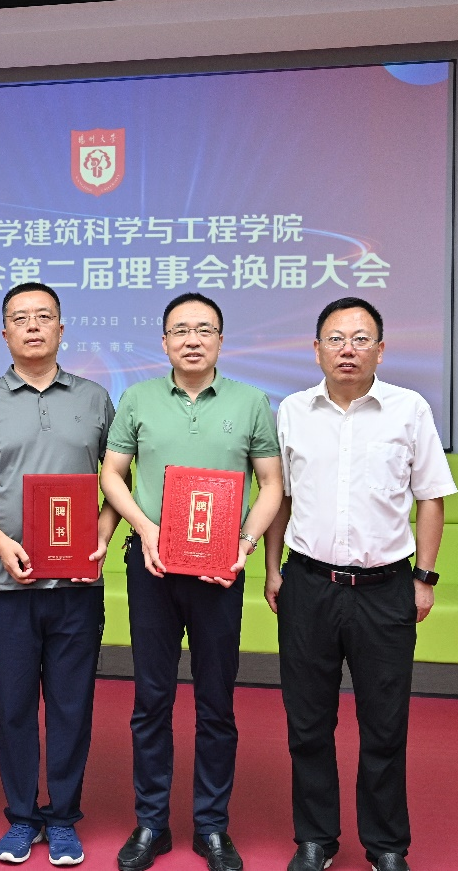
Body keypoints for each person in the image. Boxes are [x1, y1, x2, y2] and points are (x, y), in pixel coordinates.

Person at [263, 297, 455, 871]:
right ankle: (316, 840)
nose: (347, 349)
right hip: (307, 584)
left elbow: (431, 497)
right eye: (336, 338)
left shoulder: (409, 409)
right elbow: (279, 498)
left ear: (380, 349)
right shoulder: (292, 411)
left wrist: (424, 577)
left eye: (360, 338)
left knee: (385, 724)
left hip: (386, 588)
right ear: (316, 348)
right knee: (307, 723)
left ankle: (387, 845)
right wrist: (272, 569)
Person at [100, 293, 283, 871]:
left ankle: (211, 826)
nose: (192, 339)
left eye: (204, 329)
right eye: (180, 330)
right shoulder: (138, 399)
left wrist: (244, 543)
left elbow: (272, 485)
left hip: (219, 573)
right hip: (151, 566)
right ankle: (151, 823)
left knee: (216, 703)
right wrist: (146, 529)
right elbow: (112, 474)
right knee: (151, 700)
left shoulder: (251, 402)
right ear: (164, 342)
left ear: (221, 340)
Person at [0, 282, 119, 867]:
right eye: (21, 318)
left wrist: (100, 537)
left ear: (62, 329)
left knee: (72, 706)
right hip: (7, 586)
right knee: (14, 707)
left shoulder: (95, 399)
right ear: (5, 334)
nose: (34, 326)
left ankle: (63, 817)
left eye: (44, 317)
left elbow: (119, 479)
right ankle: (22, 816)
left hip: (77, 588)